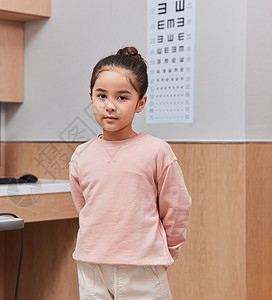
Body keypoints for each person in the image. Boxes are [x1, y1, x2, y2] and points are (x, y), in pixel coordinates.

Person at [69, 46, 192, 299]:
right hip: (91, 267)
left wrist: (168, 251)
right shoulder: (81, 155)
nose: (110, 106)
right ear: (90, 96)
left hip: (142, 267)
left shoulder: (157, 151)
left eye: (122, 97)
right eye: (101, 96)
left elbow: (176, 207)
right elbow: (84, 208)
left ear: (140, 103)